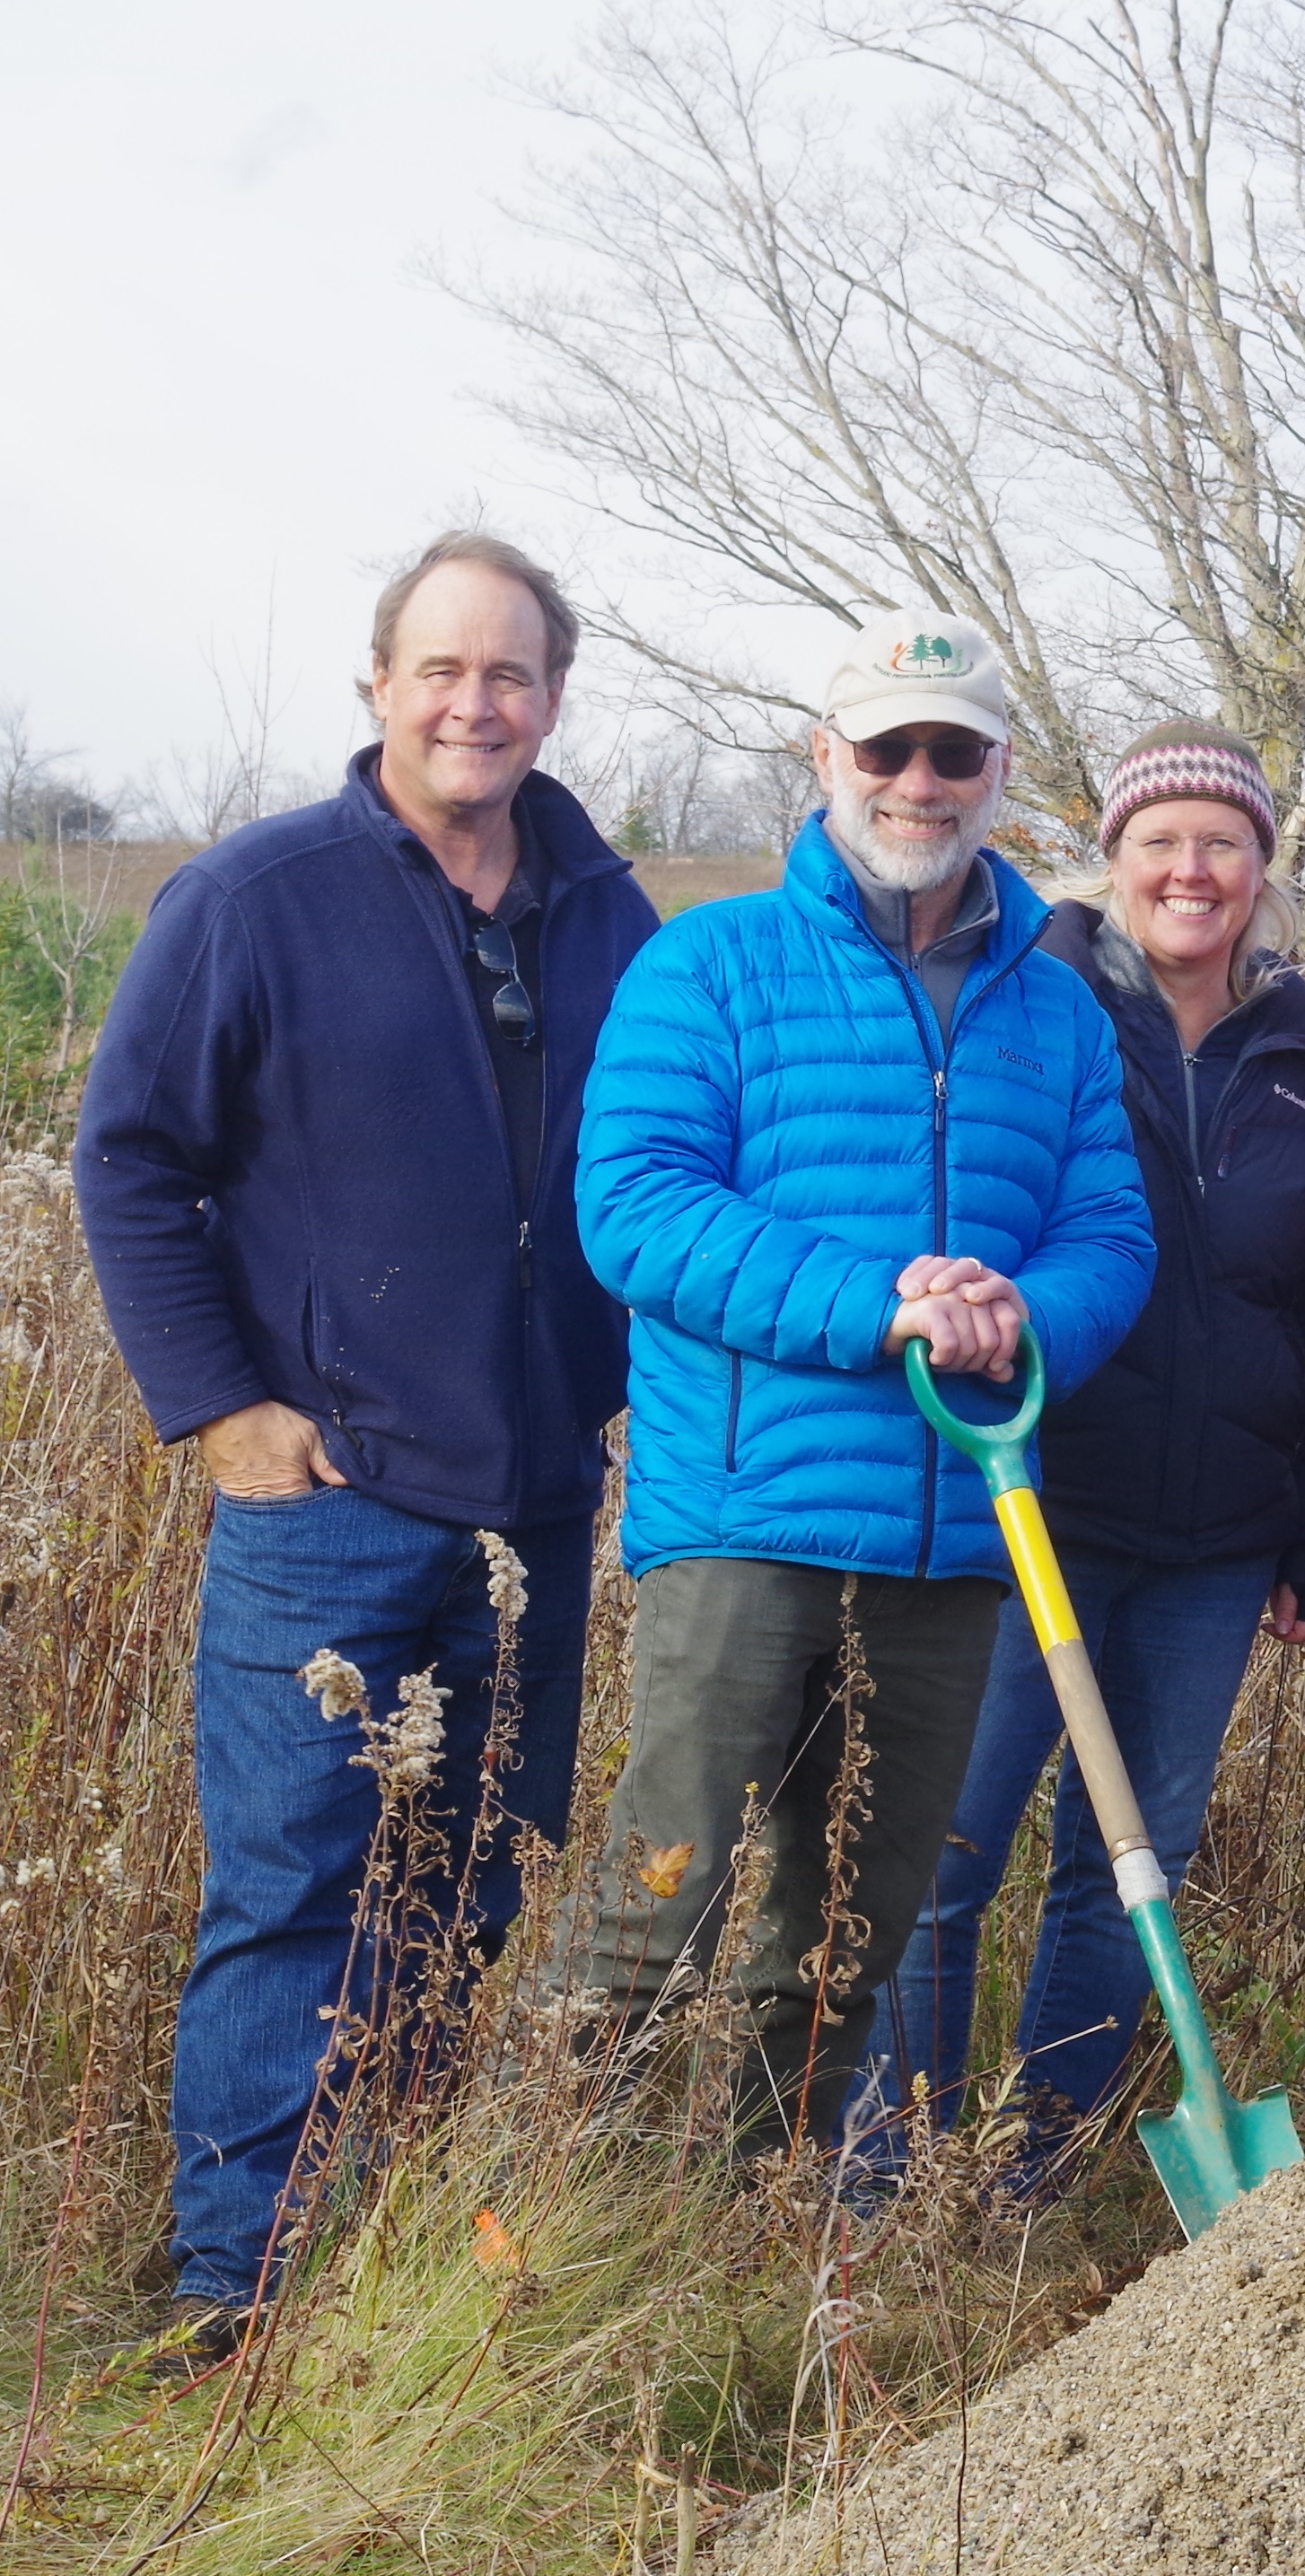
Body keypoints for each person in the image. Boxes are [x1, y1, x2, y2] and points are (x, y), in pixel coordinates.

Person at [74, 531, 655, 2369]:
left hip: (539, 1495)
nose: (473, 704)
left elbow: (661, 1167)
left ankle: (381, 2234)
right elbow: (131, 1160)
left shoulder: (610, 914)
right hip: (330, 1506)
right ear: (377, 689)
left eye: (509, 676)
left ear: (553, 701)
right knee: (293, 1888)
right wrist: (222, 1405)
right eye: (439, 670)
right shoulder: (257, 898)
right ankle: (233, 2293)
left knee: (472, 1882)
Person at [562, 628, 1155, 2166]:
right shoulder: (710, 963)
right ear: (825, 758)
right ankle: (543, 2218)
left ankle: (746, 2215)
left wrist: (1026, 1317)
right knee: (664, 1894)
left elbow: (1111, 1236)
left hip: (956, 1538)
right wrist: (879, 1305)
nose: (917, 780)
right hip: (746, 1517)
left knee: (846, 1934)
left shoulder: (1059, 1010)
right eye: (885, 748)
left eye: (953, 752)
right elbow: (633, 1205)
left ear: (999, 778)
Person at [846, 720, 1305, 2195]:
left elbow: (1302, 1317)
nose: (1192, 870)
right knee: (949, 1852)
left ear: (1262, 871)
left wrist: (1304, 1529)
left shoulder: (1297, 1071)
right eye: (1162, 842)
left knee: (1130, 1864)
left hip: (1213, 1538)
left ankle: (1040, 2173)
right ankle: (895, 2174)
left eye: (1224, 844)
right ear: (1114, 862)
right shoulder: (1032, 1017)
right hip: (1033, 1502)